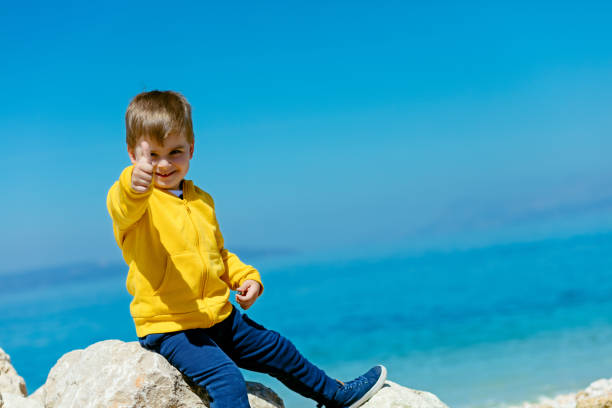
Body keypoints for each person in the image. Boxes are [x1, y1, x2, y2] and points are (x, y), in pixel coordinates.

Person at [107, 90, 387, 408]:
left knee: (277, 347)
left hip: (219, 317)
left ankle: (334, 394)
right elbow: (122, 202)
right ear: (133, 155)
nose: (164, 164)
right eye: (152, 155)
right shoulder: (135, 203)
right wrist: (133, 182)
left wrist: (246, 277)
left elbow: (218, 254)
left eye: (175, 152)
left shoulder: (201, 201)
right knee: (227, 380)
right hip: (171, 328)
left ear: (191, 149)